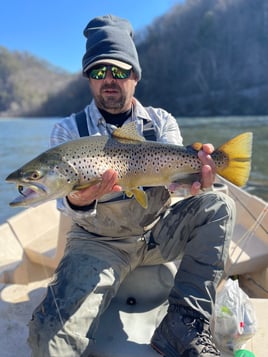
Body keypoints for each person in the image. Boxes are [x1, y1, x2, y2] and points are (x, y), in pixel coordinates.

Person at [28, 14, 235, 357]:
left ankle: (184, 322)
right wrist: (80, 201)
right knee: (49, 342)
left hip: (157, 233)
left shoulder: (160, 121)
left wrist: (197, 181)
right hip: (98, 243)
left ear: (135, 76)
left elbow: (175, 187)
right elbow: (62, 204)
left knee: (219, 203)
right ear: (88, 79)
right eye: (98, 72)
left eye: (119, 71)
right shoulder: (67, 131)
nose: (109, 79)